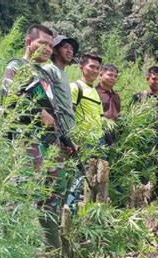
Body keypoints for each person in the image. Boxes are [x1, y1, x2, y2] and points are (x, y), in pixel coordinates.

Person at [0, 24, 62, 249]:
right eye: (41, 43)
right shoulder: (17, 66)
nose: (47, 49)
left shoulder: (44, 73)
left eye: (49, 45)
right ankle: (4, 249)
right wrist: (39, 113)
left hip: (49, 143)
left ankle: (52, 252)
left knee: (51, 196)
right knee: (19, 192)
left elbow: (53, 110)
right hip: (25, 138)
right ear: (28, 42)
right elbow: (9, 98)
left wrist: (62, 139)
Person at [131, 66, 158, 206]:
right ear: (147, 79)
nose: (156, 82)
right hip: (143, 144)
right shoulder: (138, 97)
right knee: (142, 175)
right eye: (153, 79)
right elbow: (131, 120)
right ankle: (140, 204)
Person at [70, 53, 109, 203]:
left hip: (98, 140)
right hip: (83, 139)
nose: (95, 70)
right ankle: (71, 210)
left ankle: (92, 211)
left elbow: (100, 118)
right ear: (81, 67)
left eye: (97, 68)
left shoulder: (95, 92)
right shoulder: (75, 87)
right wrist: (73, 139)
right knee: (78, 177)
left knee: (97, 178)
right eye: (91, 66)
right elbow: (69, 115)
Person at [43, 35, 79, 137]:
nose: (70, 51)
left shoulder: (63, 74)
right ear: (54, 50)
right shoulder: (49, 69)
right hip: (58, 128)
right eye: (65, 47)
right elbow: (46, 100)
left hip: (69, 127)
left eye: (71, 49)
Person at [96, 63, 121, 145]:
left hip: (114, 136)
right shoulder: (94, 92)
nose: (113, 78)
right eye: (110, 75)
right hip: (99, 136)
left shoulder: (116, 96)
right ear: (100, 75)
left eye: (115, 76)